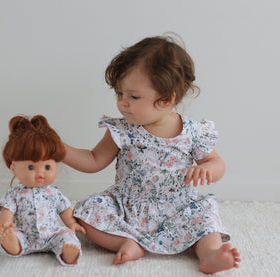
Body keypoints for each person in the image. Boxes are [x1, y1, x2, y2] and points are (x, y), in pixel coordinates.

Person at [63, 35, 240, 274]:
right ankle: (127, 242)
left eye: (133, 97)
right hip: (129, 206)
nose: (123, 103)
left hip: (179, 207)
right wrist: (59, 150)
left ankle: (209, 254)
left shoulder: (193, 132)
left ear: (167, 99)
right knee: (86, 211)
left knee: (206, 217)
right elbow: (94, 160)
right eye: (119, 94)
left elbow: (215, 162)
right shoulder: (122, 129)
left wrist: (208, 169)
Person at [0, 115, 86, 266]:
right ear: (13, 168)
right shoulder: (14, 194)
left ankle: (67, 252)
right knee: (11, 234)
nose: (40, 173)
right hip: (25, 235)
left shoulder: (55, 193)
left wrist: (71, 223)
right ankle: (14, 244)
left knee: (66, 235)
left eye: (47, 167)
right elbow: (7, 211)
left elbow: (64, 209)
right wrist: (5, 224)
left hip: (52, 235)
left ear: (56, 166)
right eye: (31, 167)